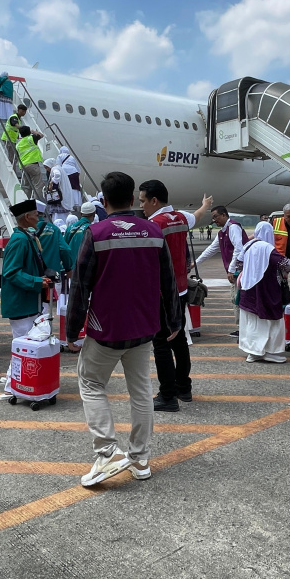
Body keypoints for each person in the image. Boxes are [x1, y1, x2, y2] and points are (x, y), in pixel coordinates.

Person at [66, 172, 182, 487]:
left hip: (106, 330)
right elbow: (168, 280)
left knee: (91, 385)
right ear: (132, 199)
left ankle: (108, 453)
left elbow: (80, 286)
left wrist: (71, 330)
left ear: (103, 201)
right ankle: (140, 459)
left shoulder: (96, 233)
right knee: (141, 391)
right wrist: (174, 320)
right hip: (144, 329)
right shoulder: (153, 232)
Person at [138, 180, 212, 412]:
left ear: (154, 201)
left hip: (161, 292)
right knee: (178, 339)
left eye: (143, 201)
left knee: (161, 343)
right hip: (180, 290)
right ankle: (184, 388)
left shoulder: (153, 224)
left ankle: (167, 395)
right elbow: (197, 216)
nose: (141, 207)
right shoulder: (181, 218)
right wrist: (205, 205)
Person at [236, 221, 290, 363]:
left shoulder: (248, 245)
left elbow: (238, 263)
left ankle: (253, 351)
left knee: (252, 321)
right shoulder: (268, 249)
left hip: (248, 290)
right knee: (271, 321)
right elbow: (286, 264)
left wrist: (251, 271)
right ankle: (270, 351)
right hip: (266, 290)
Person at [0, 199, 51, 339]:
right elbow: (11, 272)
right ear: (27, 217)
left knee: (29, 350)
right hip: (22, 303)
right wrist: (36, 281)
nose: (38, 218)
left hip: (29, 301)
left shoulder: (26, 237)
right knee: (24, 348)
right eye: (36, 214)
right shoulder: (20, 240)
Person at [195, 206, 249, 328]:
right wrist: (196, 262)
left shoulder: (233, 227)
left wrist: (231, 269)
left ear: (224, 215)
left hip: (240, 271)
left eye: (216, 217)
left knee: (238, 299)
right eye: (212, 218)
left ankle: (242, 329)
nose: (214, 220)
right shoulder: (222, 232)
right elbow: (211, 249)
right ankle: (240, 328)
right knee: (235, 299)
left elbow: (238, 248)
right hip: (236, 271)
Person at [42, 157, 73, 226]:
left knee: (57, 215)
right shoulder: (59, 168)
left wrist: (51, 182)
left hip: (59, 197)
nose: (47, 170)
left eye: (47, 167)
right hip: (63, 195)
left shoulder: (55, 169)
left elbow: (57, 175)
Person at [16, 126, 45, 194]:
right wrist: (33, 131)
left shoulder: (18, 144)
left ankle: (27, 200)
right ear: (29, 132)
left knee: (27, 186)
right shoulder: (31, 138)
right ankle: (38, 202)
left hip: (23, 166)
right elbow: (41, 135)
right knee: (38, 185)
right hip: (32, 165)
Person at [65, 203, 95, 267]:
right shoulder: (92, 229)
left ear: (81, 214)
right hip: (85, 267)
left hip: (71, 268)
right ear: (94, 214)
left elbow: (64, 248)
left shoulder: (70, 228)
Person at [58, 146, 83, 211]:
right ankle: (76, 203)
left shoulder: (60, 156)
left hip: (65, 172)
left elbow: (58, 166)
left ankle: (68, 203)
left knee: (66, 188)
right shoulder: (71, 157)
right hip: (74, 173)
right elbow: (78, 169)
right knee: (75, 188)